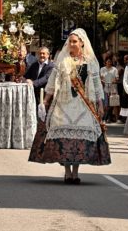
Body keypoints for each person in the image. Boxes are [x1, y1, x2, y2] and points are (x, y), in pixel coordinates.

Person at [28, 28, 111, 184]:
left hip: (83, 104)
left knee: (79, 140)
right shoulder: (62, 60)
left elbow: (96, 84)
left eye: (74, 42)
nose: (71, 44)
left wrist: (100, 103)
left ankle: (76, 172)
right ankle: (67, 172)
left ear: (81, 43)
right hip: (63, 104)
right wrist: (45, 101)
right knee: (64, 138)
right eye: (70, 41)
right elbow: (52, 81)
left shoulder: (91, 61)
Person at [100, 57, 118, 122]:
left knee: (113, 103)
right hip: (105, 87)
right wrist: (102, 80)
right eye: (107, 61)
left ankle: (112, 117)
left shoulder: (114, 69)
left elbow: (116, 78)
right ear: (105, 62)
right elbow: (101, 77)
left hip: (113, 88)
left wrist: (114, 80)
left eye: (110, 61)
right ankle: (104, 117)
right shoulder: (102, 69)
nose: (109, 63)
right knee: (105, 104)